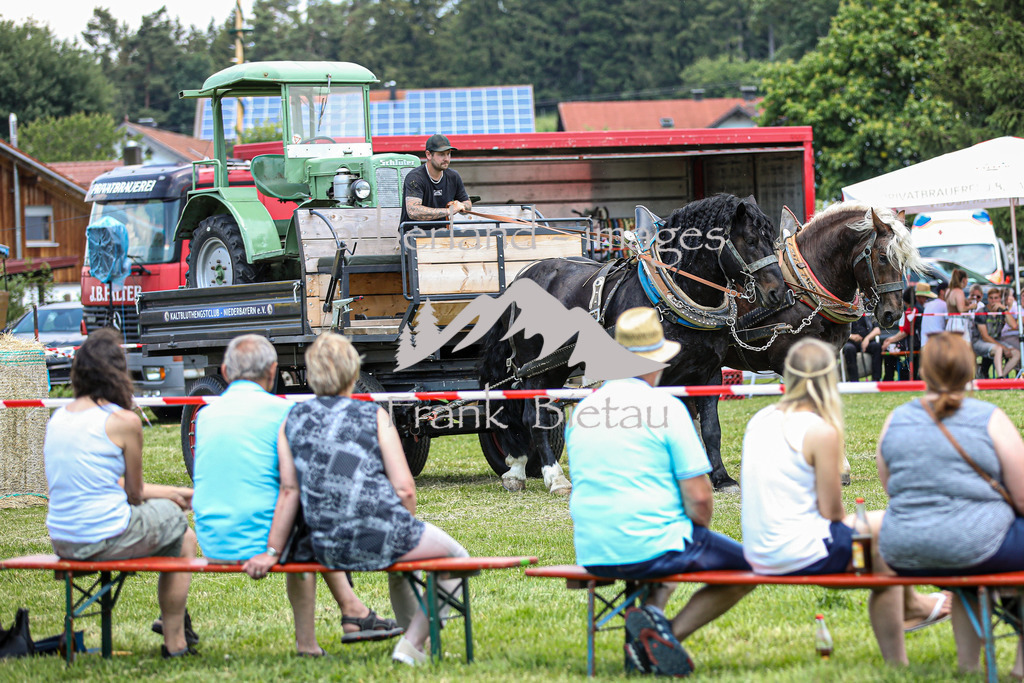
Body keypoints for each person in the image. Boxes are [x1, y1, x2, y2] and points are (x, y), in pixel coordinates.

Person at [740, 338, 950, 665]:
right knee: (892, 526)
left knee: (883, 544)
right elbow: (833, 513)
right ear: (830, 378)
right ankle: (914, 615)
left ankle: (912, 617)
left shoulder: (760, 419)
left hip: (757, 547)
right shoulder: (821, 430)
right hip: (797, 551)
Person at [566, 307, 752, 676]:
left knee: (667, 542)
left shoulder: (582, 412)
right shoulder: (667, 407)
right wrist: (694, 528)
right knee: (747, 567)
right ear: (656, 361)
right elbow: (700, 498)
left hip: (593, 548)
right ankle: (664, 636)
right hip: (652, 543)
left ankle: (650, 624)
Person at [192, 334, 399, 657]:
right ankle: (333, 625)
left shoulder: (204, 414)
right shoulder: (286, 412)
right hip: (268, 544)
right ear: (273, 371)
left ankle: (353, 612)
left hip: (213, 540)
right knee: (312, 514)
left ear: (225, 371)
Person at [280, 332, 469, 666]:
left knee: (401, 565)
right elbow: (405, 489)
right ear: (354, 374)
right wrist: (405, 528)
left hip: (322, 546)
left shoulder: (292, 420)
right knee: (457, 558)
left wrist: (272, 549)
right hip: (379, 533)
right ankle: (412, 643)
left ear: (310, 375)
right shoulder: (373, 415)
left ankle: (414, 644)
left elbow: (289, 491)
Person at [43, 328, 198, 658]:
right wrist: (176, 499)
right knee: (183, 535)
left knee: (169, 516)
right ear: (117, 371)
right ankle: (175, 640)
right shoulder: (123, 420)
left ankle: (177, 626)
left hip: (63, 537)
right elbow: (134, 494)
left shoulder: (57, 418)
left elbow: (108, 485)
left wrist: (172, 492)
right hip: (102, 535)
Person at [877, 332, 1024, 677]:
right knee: (980, 559)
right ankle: (1020, 667)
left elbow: (890, 487)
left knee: (970, 579)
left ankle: (969, 668)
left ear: (923, 371)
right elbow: (1021, 496)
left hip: (903, 549)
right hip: (975, 544)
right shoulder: (989, 418)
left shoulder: (895, 419)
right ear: (970, 370)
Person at [399, 133, 472, 230]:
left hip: (443, 232)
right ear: (428, 155)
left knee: (467, 236)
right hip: (414, 234)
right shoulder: (415, 177)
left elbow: (468, 204)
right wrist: (449, 211)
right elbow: (413, 211)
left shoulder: (453, 176)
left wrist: (462, 206)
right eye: (441, 154)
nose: (446, 159)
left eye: (448, 154)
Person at [881, 282, 935, 379]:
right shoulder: (919, 309)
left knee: (888, 352)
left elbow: (906, 331)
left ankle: (888, 377)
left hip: (912, 343)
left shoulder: (913, 310)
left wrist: (890, 340)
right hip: (916, 342)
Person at [972, 287, 1020, 378]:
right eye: (991, 298)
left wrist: (1004, 309)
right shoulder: (981, 312)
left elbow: (1014, 325)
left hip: (996, 341)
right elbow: (985, 336)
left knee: (1016, 353)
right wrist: (1004, 348)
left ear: (1000, 299)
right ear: (988, 298)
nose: (993, 300)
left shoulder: (1001, 311)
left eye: (996, 298)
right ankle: (1000, 377)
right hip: (979, 342)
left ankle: (1000, 378)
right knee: (998, 349)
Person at [842, 314, 881, 381]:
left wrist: (867, 339)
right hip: (850, 342)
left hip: (867, 342)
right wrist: (851, 336)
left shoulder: (869, 313)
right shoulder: (846, 312)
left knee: (877, 346)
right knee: (849, 349)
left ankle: (876, 379)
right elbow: (840, 330)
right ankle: (854, 381)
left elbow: (877, 330)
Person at [945, 268, 972, 342]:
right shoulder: (959, 291)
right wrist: (972, 306)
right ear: (963, 280)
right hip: (958, 323)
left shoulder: (949, 290)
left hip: (951, 322)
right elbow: (961, 309)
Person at [920, 280, 949, 348]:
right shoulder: (944, 305)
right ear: (942, 292)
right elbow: (949, 326)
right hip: (937, 344)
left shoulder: (929, 305)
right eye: (949, 291)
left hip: (924, 344)